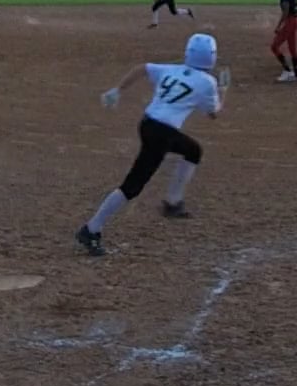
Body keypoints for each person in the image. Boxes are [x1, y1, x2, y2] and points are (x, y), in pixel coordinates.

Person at [76, 33, 224, 257]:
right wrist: (224, 91)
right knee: (132, 186)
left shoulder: (172, 70)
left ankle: (173, 202)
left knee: (193, 150)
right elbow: (213, 114)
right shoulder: (207, 82)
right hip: (162, 134)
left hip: (148, 124)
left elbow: (142, 68)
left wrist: (118, 90)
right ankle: (91, 229)